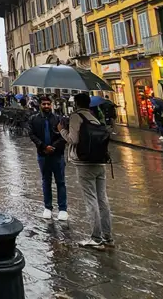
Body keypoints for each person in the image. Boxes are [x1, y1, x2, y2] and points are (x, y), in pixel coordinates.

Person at [63, 92, 114, 248]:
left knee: (90, 200)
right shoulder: (94, 117)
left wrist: (61, 130)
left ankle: (96, 238)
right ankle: (108, 237)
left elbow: (73, 139)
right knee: (102, 200)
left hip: (84, 163)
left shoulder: (76, 117)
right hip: (100, 162)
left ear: (77, 104)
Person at [29, 96, 67, 221]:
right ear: (40, 105)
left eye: (48, 104)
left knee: (60, 181)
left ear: (51, 105)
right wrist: (43, 146)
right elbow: (31, 134)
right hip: (42, 154)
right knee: (46, 181)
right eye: (44, 104)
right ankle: (48, 207)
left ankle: (62, 209)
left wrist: (53, 147)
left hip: (57, 154)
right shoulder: (34, 119)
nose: (46, 106)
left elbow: (63, 136)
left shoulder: (58, 119)